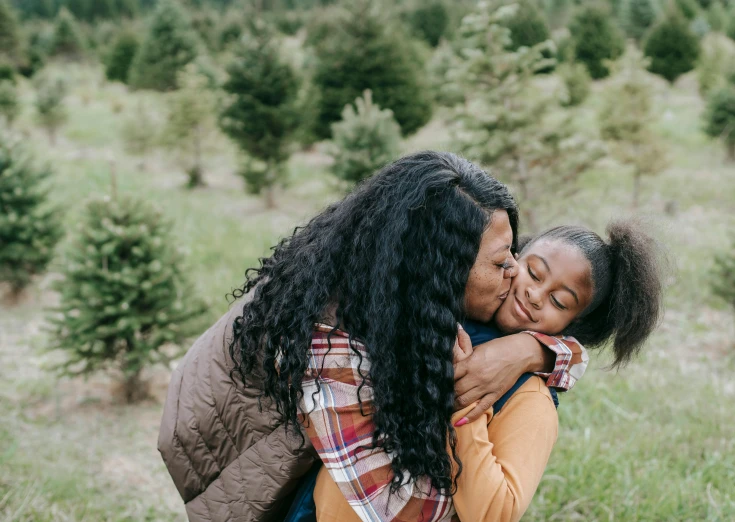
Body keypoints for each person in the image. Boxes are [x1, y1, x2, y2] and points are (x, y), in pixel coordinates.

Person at [157, 151, 583, 522]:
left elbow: (574, 351)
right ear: (439, 271)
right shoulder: (330, 348)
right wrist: (469, 411)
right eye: (499, 261)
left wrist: (535, 351)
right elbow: (400, 510)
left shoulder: (390, 285)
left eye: (515, 251)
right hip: (244, 492)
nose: (515, 271)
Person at [310, 220, 664, 522]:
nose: (536, 295)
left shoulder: (530, 399)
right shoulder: (446, 306)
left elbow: (495, 511)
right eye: (534, 272)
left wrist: (466, 403)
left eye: (559, 301)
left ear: (576, 323)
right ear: (511, 258)